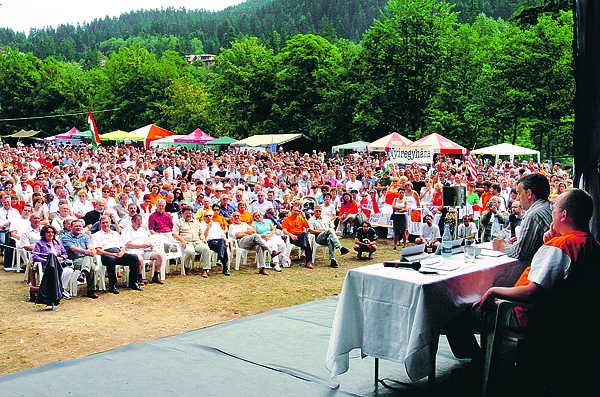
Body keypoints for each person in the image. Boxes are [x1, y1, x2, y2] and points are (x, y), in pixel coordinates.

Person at [448, 189, 600, 395]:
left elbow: (531, 293)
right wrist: (551, 242)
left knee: (455, 313)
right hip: (570, 320)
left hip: (530, 316)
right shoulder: (592, 244)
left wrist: (493, 291)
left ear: (563, 215)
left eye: (554, 209)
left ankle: (479, 364)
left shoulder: (561, 246)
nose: (552, 214)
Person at [492, 173, 552, 263]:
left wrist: (502, 246)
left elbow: (520, 253)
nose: (518, 199)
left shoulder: (533, 215)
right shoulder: (549, 207)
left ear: (529, 193)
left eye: (519, 193)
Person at [92, 215, 142, 294]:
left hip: (118, 253)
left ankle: (133, 283)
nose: (105, 224)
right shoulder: (96, 235)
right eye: (103, 223)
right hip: (106, 254)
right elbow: (98, 250)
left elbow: (122, 246)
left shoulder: (115, 234)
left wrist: (121, 252)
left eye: (107, 222)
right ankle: (112, 285)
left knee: (134, 258)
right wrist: (112, 254)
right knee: (111, 260)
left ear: (110, 223)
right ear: (100, 224)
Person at [121, 214, 165, 284]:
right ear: (132, 222)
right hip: (132, 251)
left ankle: (155, 276)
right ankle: (139, 278)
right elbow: (128, 244)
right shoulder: (126, 231)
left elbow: (147, 241)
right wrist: (142, 246)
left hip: (144, 250)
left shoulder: (142, 230)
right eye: (138, 223)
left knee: (159, 255)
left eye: (140, 223)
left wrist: (150, 245)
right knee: (139, 258)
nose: (139, 225)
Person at [61, 219, 98, 298]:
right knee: (92, 266)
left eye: (79, 226)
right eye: (76, 226)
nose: (78, 228)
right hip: (74, 260)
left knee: (90, 260)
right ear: (71, 227)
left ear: (82, 227)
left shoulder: (85, 236)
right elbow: (73, 248)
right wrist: (87, 252)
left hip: (86, 258)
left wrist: (92, 250)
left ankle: (83, 273)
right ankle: (91, 291)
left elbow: (90, 246)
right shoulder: (66, 238)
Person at [172, 206, 212, 277]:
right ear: (182, 214)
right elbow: (175, 234)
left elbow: (200, 233)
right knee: (190, 251)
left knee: (206, 248)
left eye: (189, 213)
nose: (188, 215)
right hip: (187, 242)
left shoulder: (196, 222)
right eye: (186, 213)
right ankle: (186, 267)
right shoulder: (178, 222)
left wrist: (203, 239)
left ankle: (205, 269)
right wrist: (183, 241)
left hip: (197, 242)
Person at [281, 203, 313, 269]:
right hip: (292, 237)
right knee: (306, 240)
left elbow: (307, 226)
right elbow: (284, 230)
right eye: (295, 210)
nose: (296, 212)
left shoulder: (300, 218)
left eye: (298, 211)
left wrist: (304, 217)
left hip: (301, 236)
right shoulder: (286, 219)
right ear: (291, 211)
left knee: (304, 235)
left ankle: (304, 252)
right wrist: (291, 235)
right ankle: (307, 259)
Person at [199, 211, 230, 276]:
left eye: (210, 215)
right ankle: (224, 267)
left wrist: (226, 241)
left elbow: (222, 234)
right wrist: (208, 227)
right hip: (209, 241)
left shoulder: (216, 224)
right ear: (204, 218)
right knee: (222, 248)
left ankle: (220, 258)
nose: (208, 217)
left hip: (219, 240)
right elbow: (203, 236)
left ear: (212, 216)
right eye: (206, 216)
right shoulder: (201, 225)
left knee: (222, 241)